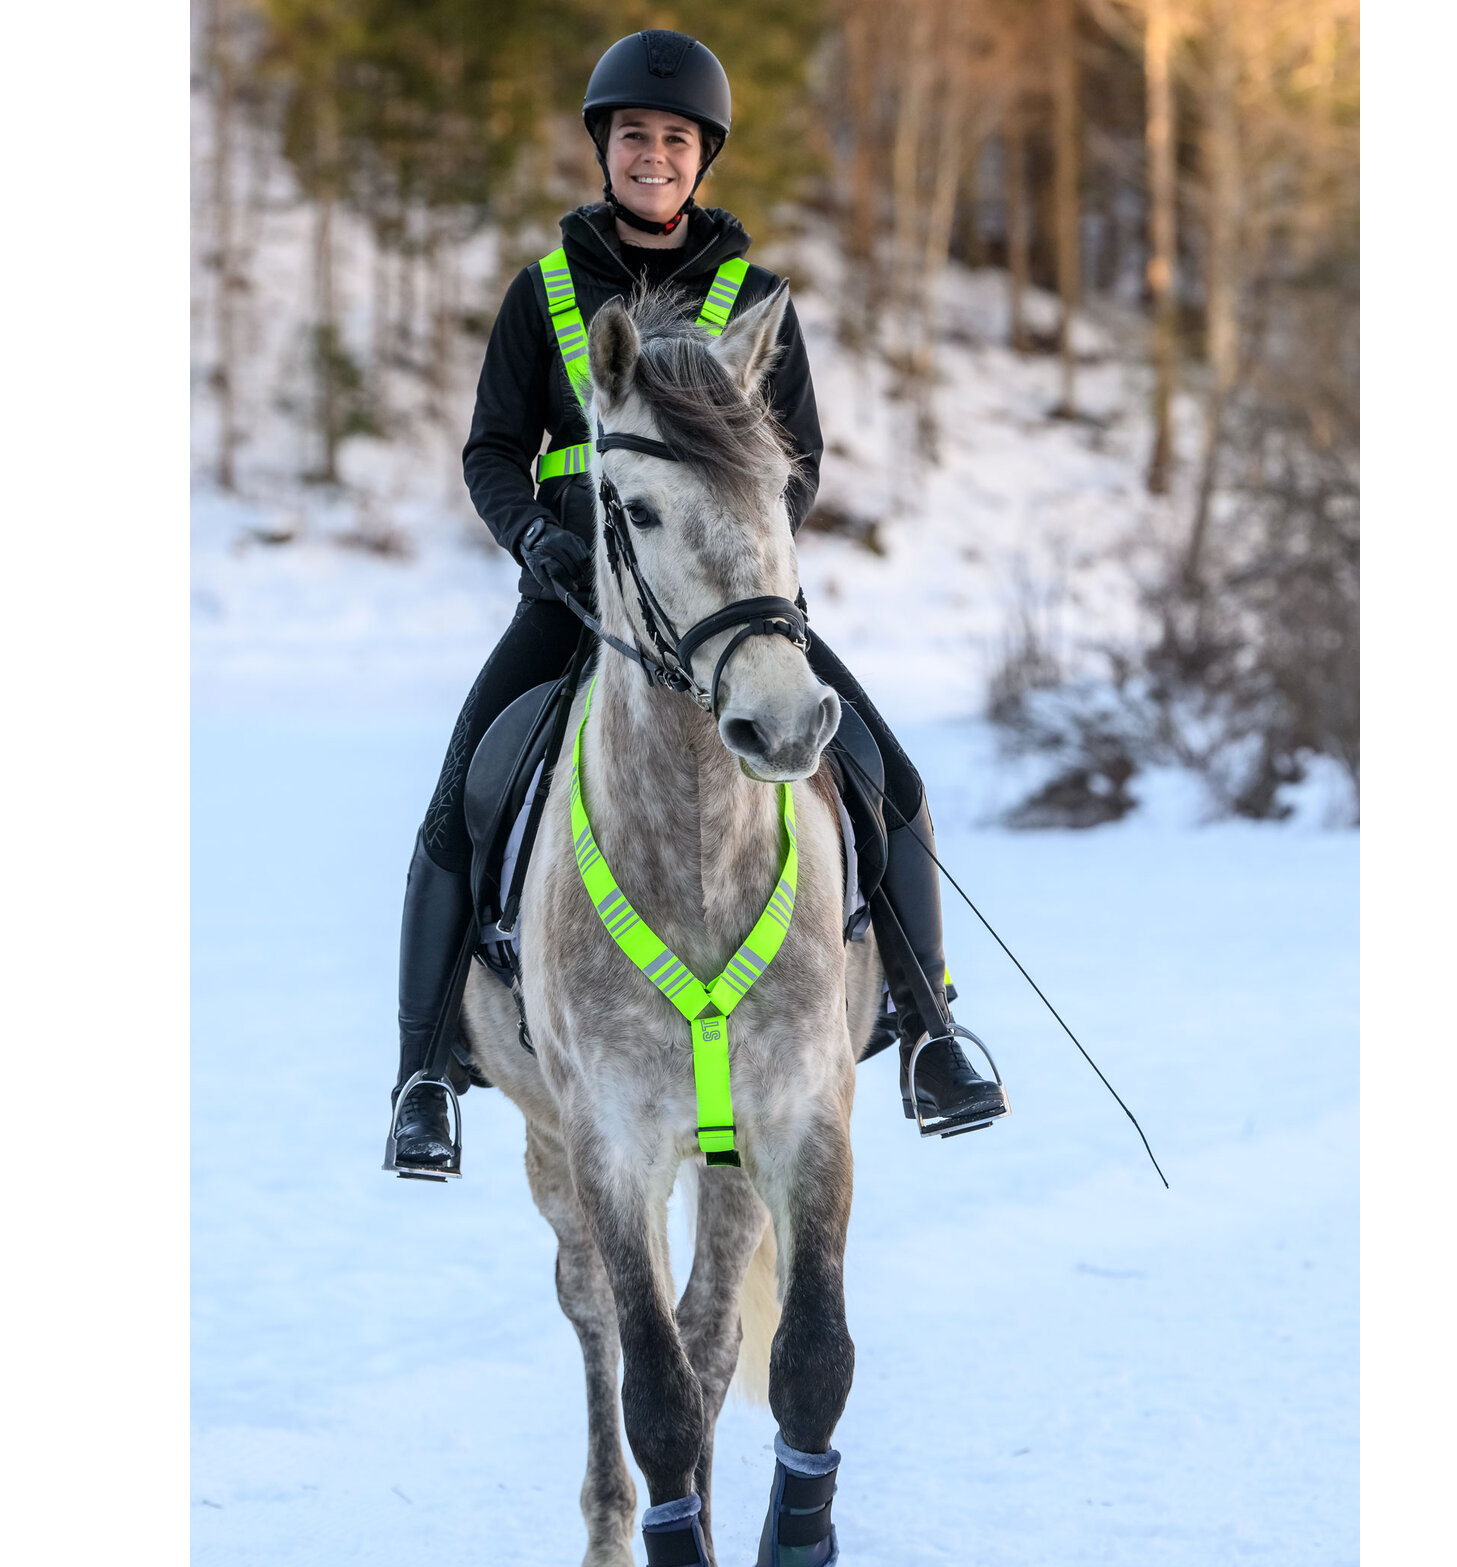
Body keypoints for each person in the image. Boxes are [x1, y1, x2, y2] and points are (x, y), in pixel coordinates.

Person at [388, 29, 1009, 1177]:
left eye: (674, 139)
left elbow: (802, 461)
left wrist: (740, 548)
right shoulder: (541, 297)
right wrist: (533, 535)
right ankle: (425, 1070)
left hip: (723, 600)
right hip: (575, 590)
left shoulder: (758, 299)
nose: (653, 155)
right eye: (634, 136)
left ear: (702, 156)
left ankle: (929, 1031)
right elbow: (489, 450)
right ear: (603, 149)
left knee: (888, 779)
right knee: (458, 791)